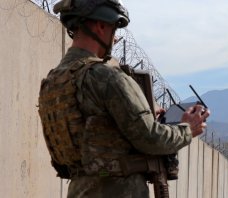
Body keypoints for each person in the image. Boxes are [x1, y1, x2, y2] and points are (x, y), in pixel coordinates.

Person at [37, 0, 210, 197]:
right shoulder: (106, 77)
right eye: (114, 29)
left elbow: (91, 139)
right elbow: (150, 138)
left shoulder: (52, 82)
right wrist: (187, 128)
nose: (116, 38)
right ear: (101, 26)